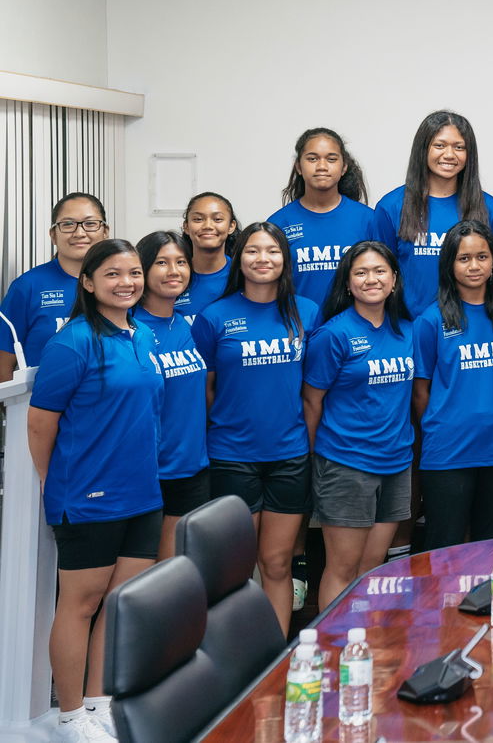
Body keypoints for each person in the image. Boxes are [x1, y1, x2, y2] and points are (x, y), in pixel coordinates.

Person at [27, 238, 163, 743]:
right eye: (112, 274)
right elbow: (41, 427)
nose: (125, 282)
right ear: (88, 282)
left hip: (143, 493)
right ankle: (69, 714)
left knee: (118, 601)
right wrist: (61, 484)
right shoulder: (73, 341)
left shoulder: (143, 335)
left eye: (132, 273)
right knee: (80, 605)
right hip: (89, 497)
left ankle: (100, 700)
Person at [191, 221, 318, 633]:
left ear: (285, 259)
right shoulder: (214, 317)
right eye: (252, 251)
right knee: (237, 569)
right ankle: (236, 662)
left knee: (278, 563)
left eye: (272, 251)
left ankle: (273, 659)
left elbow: (312, 388)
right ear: (238, 258)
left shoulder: (307, 312)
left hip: (289, 456)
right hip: (232, 457)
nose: (263, 259)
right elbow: (207, 389)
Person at [303, 241, 414, 610]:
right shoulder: (334, 335)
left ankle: (361, 648)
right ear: (348, 284)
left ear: (394, 280)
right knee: (342, 567)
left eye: (380, 271)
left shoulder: (406, 332)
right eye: (361, 272)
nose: (372, 279)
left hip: (396, 463)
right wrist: (317, 459)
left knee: (371, 568)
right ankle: (334, 653)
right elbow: (311, 401)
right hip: (347, 464)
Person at [412, 221, 493, 549]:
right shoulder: (430, 320)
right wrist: (439, 430)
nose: (474, 266)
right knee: (444, 548)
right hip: (448, 451)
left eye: (482, 257)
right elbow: (420, 393)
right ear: (449, 264)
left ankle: (489, 604)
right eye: (463, 258)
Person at [375, 110, 493, 318]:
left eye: (459, 147)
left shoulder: (489, 208)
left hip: (471, 330)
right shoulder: (391, 207)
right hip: (409, 329)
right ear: (423, 149)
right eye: (440, 145)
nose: (449, 155)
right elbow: (380, 274)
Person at [132, 230, 209, 559]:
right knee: (142, 579)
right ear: (143, 270)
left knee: (175, 573)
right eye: (162, 262)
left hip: (191, 468)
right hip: (147, 471)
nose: (173, 270)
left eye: (181, 262)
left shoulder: (187, 326)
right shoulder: (130, 328)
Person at [268, 126, 377, 311]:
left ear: (343, 167)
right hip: (299, 328)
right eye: (312, 158)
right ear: (298, 167)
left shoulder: (368, 219)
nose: (322, 166)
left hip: (353, 330)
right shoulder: (280, 223)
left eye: (331, 159)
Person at [1, 191, 106, 381]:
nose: (80, 233)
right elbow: (3, 366)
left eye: (90, 224)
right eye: (68, 224)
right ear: (53, 235)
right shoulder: (28, 287)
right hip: (43, 405)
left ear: (105, 231)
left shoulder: (122, 283)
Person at [176, 191, 238, 321]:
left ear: (231, 226)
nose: (208, 226)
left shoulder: (243, 275)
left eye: (217, 219)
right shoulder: (174, 276)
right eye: (198, 219)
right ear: (186, 227)